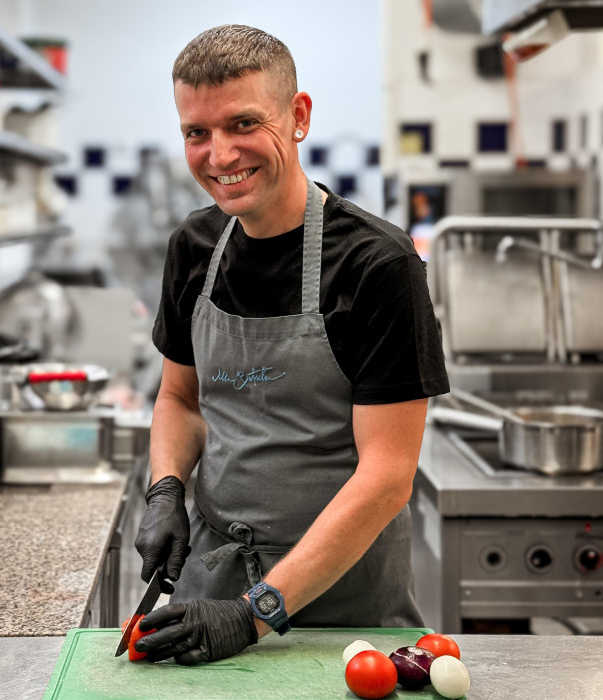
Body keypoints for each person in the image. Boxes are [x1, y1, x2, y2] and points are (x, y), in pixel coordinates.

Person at [133, 24, 450, 666]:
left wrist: (254, 614)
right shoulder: (193, 248)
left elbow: (387, 478)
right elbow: (180, 399)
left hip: (343, 608)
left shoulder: (377, 265)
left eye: (243, 124)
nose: (220, 155)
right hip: (211, 591)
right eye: (197, 132)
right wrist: (165, 489)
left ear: (298, 116)